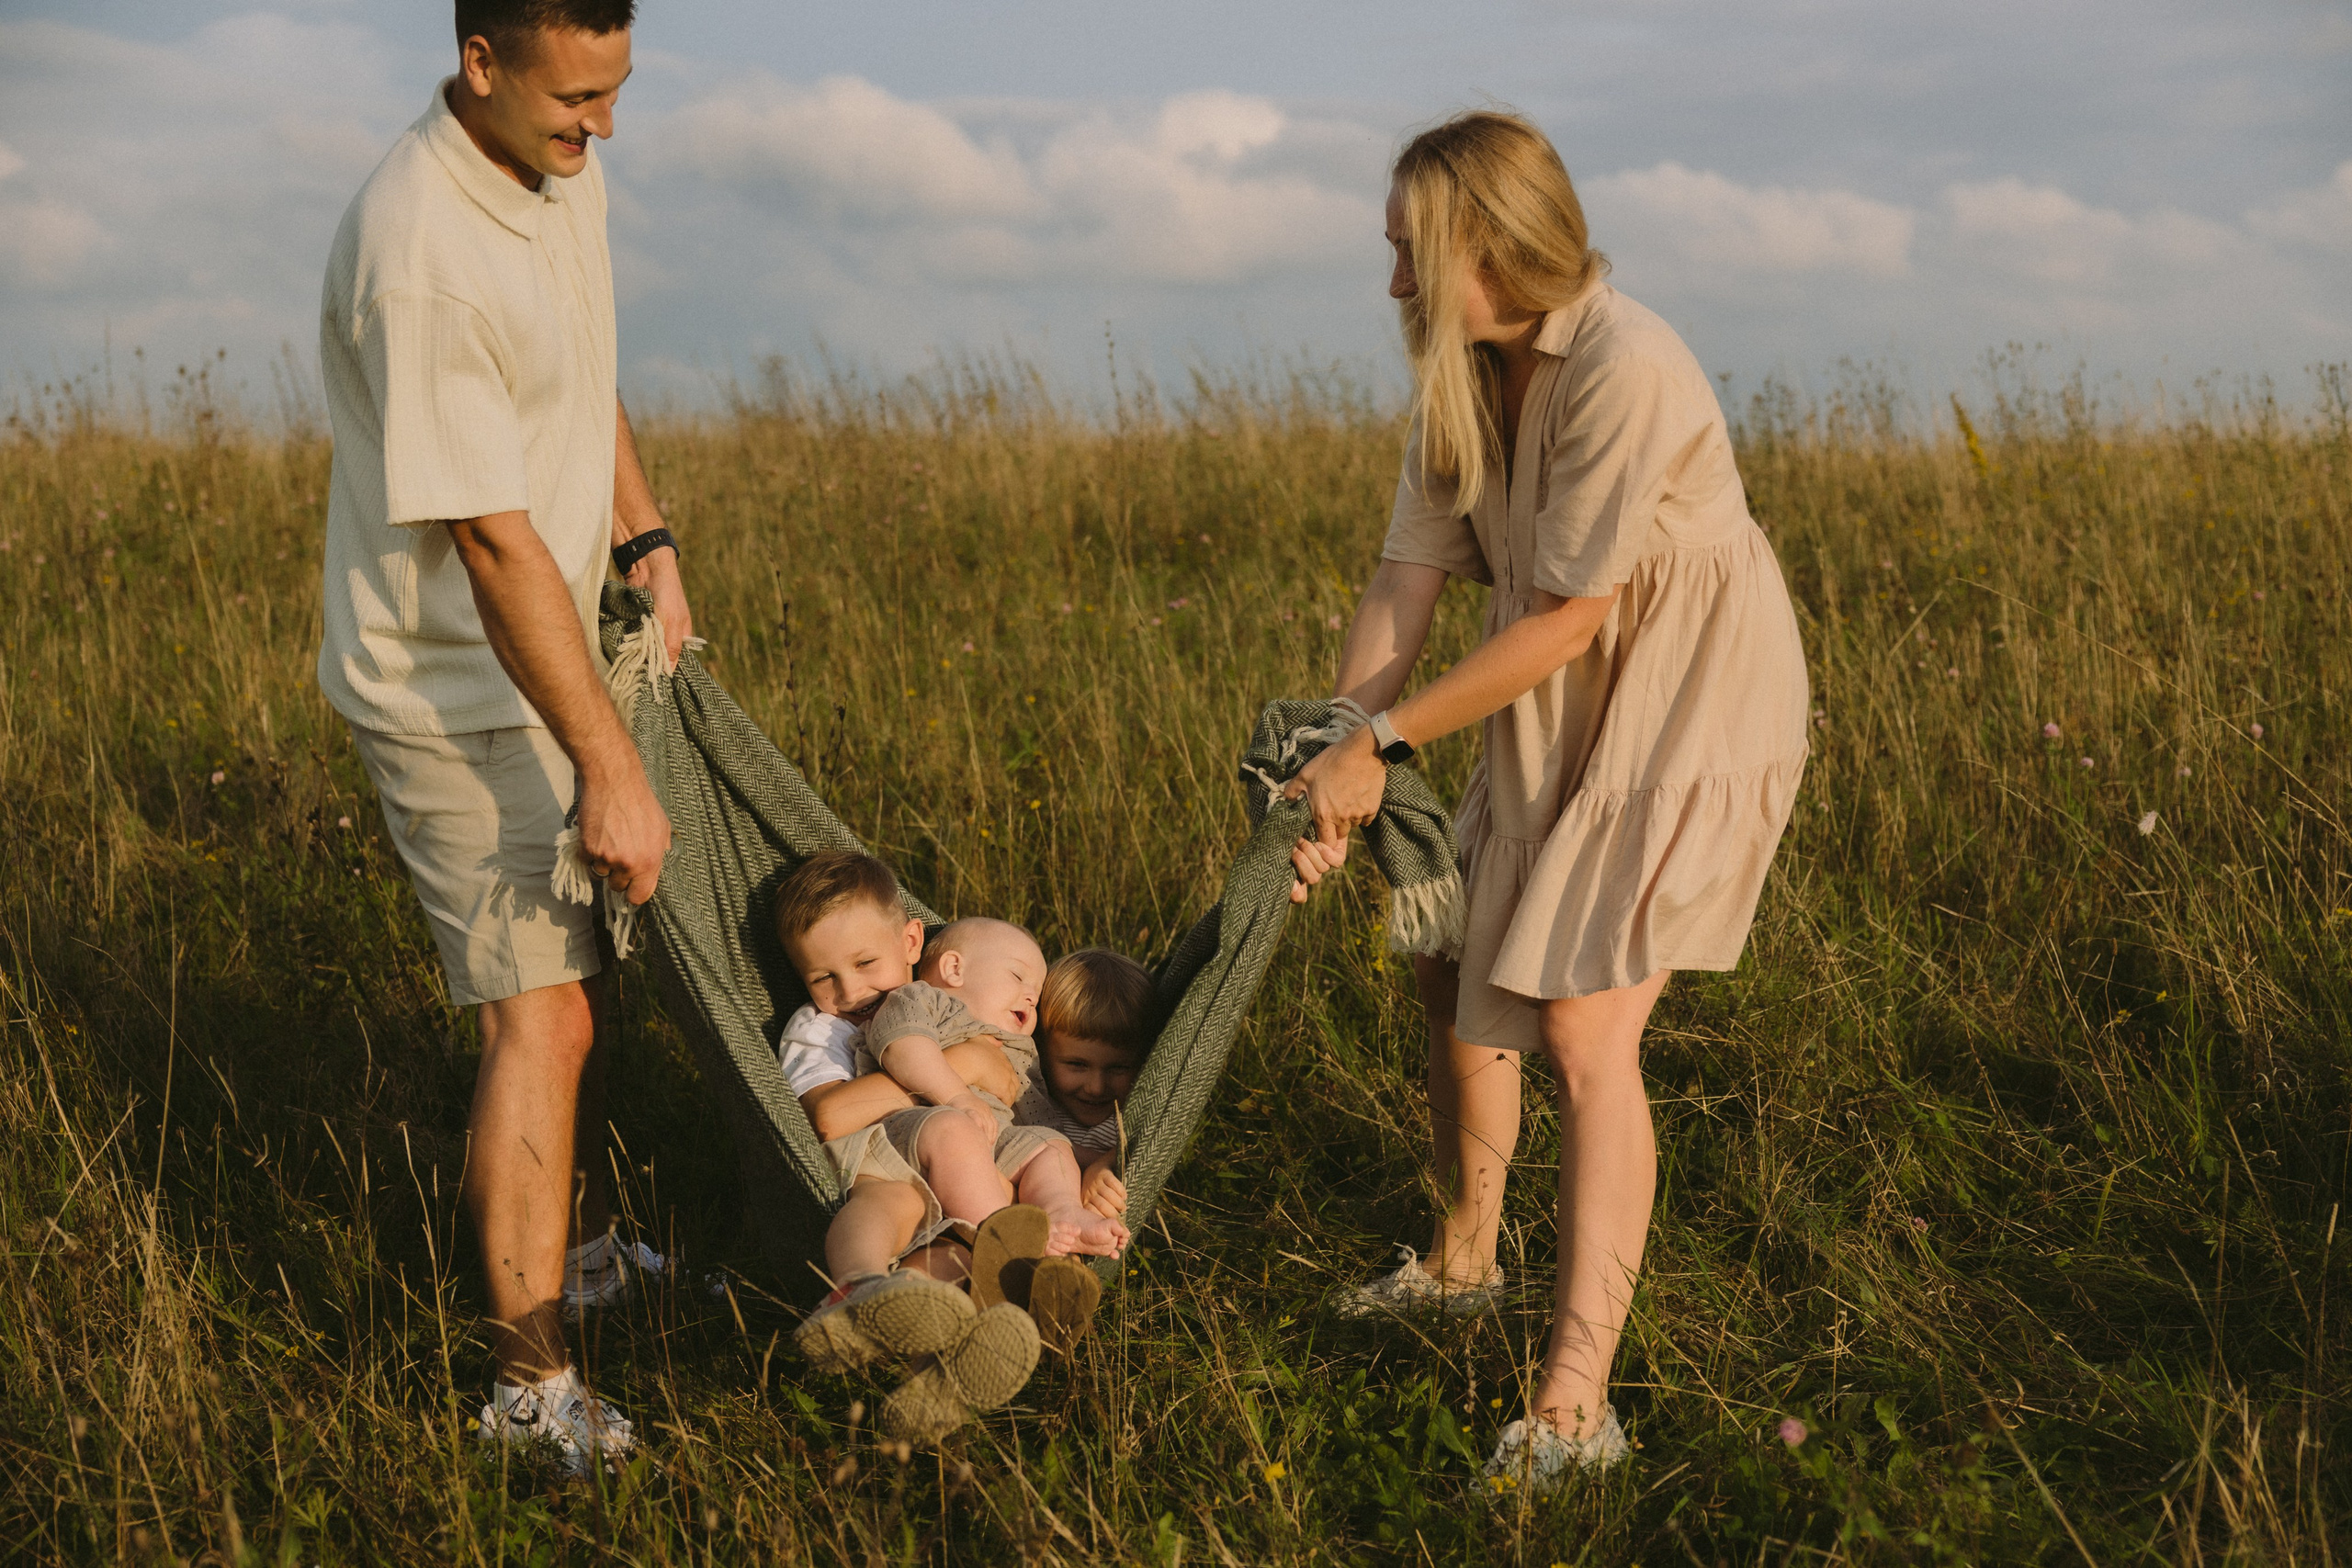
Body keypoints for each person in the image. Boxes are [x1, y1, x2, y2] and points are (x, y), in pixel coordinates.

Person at [1284, 110, 1809, 1491]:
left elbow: (1573, 618)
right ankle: (1466, 1261)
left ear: (1493, 244)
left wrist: (1384, 743)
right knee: (1448, 949)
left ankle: (1577, 1406)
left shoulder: (1625, 363)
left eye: (1412, 252)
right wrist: (1337, 756)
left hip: (1682, 703)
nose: (1393, 282)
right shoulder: (1461, 374)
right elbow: (1407, 582)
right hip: (1567, 693)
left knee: (1583, 1025)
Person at [316, 0, 687, 1472]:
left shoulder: (556, 167)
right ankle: (529, 1390)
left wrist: (647, 531)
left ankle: (580, 1247)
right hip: (452, 688)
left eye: (617, 91)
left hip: (550, 647)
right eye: (575, 98)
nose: (602, 127)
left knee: (562, 992)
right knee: (548, 1014)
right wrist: (613, 766)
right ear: (480, 61)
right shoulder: (419, 255)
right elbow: (488, 537)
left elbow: (578, 363)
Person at [1016, 948, 1159, 1221]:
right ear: (1042, 1053)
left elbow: (1149, 1158)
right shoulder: (1030, 1103)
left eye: (1118, 1067)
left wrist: (1107, 1166)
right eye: (1077, 1065)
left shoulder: (1132, 1121)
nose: (1096, 1087)